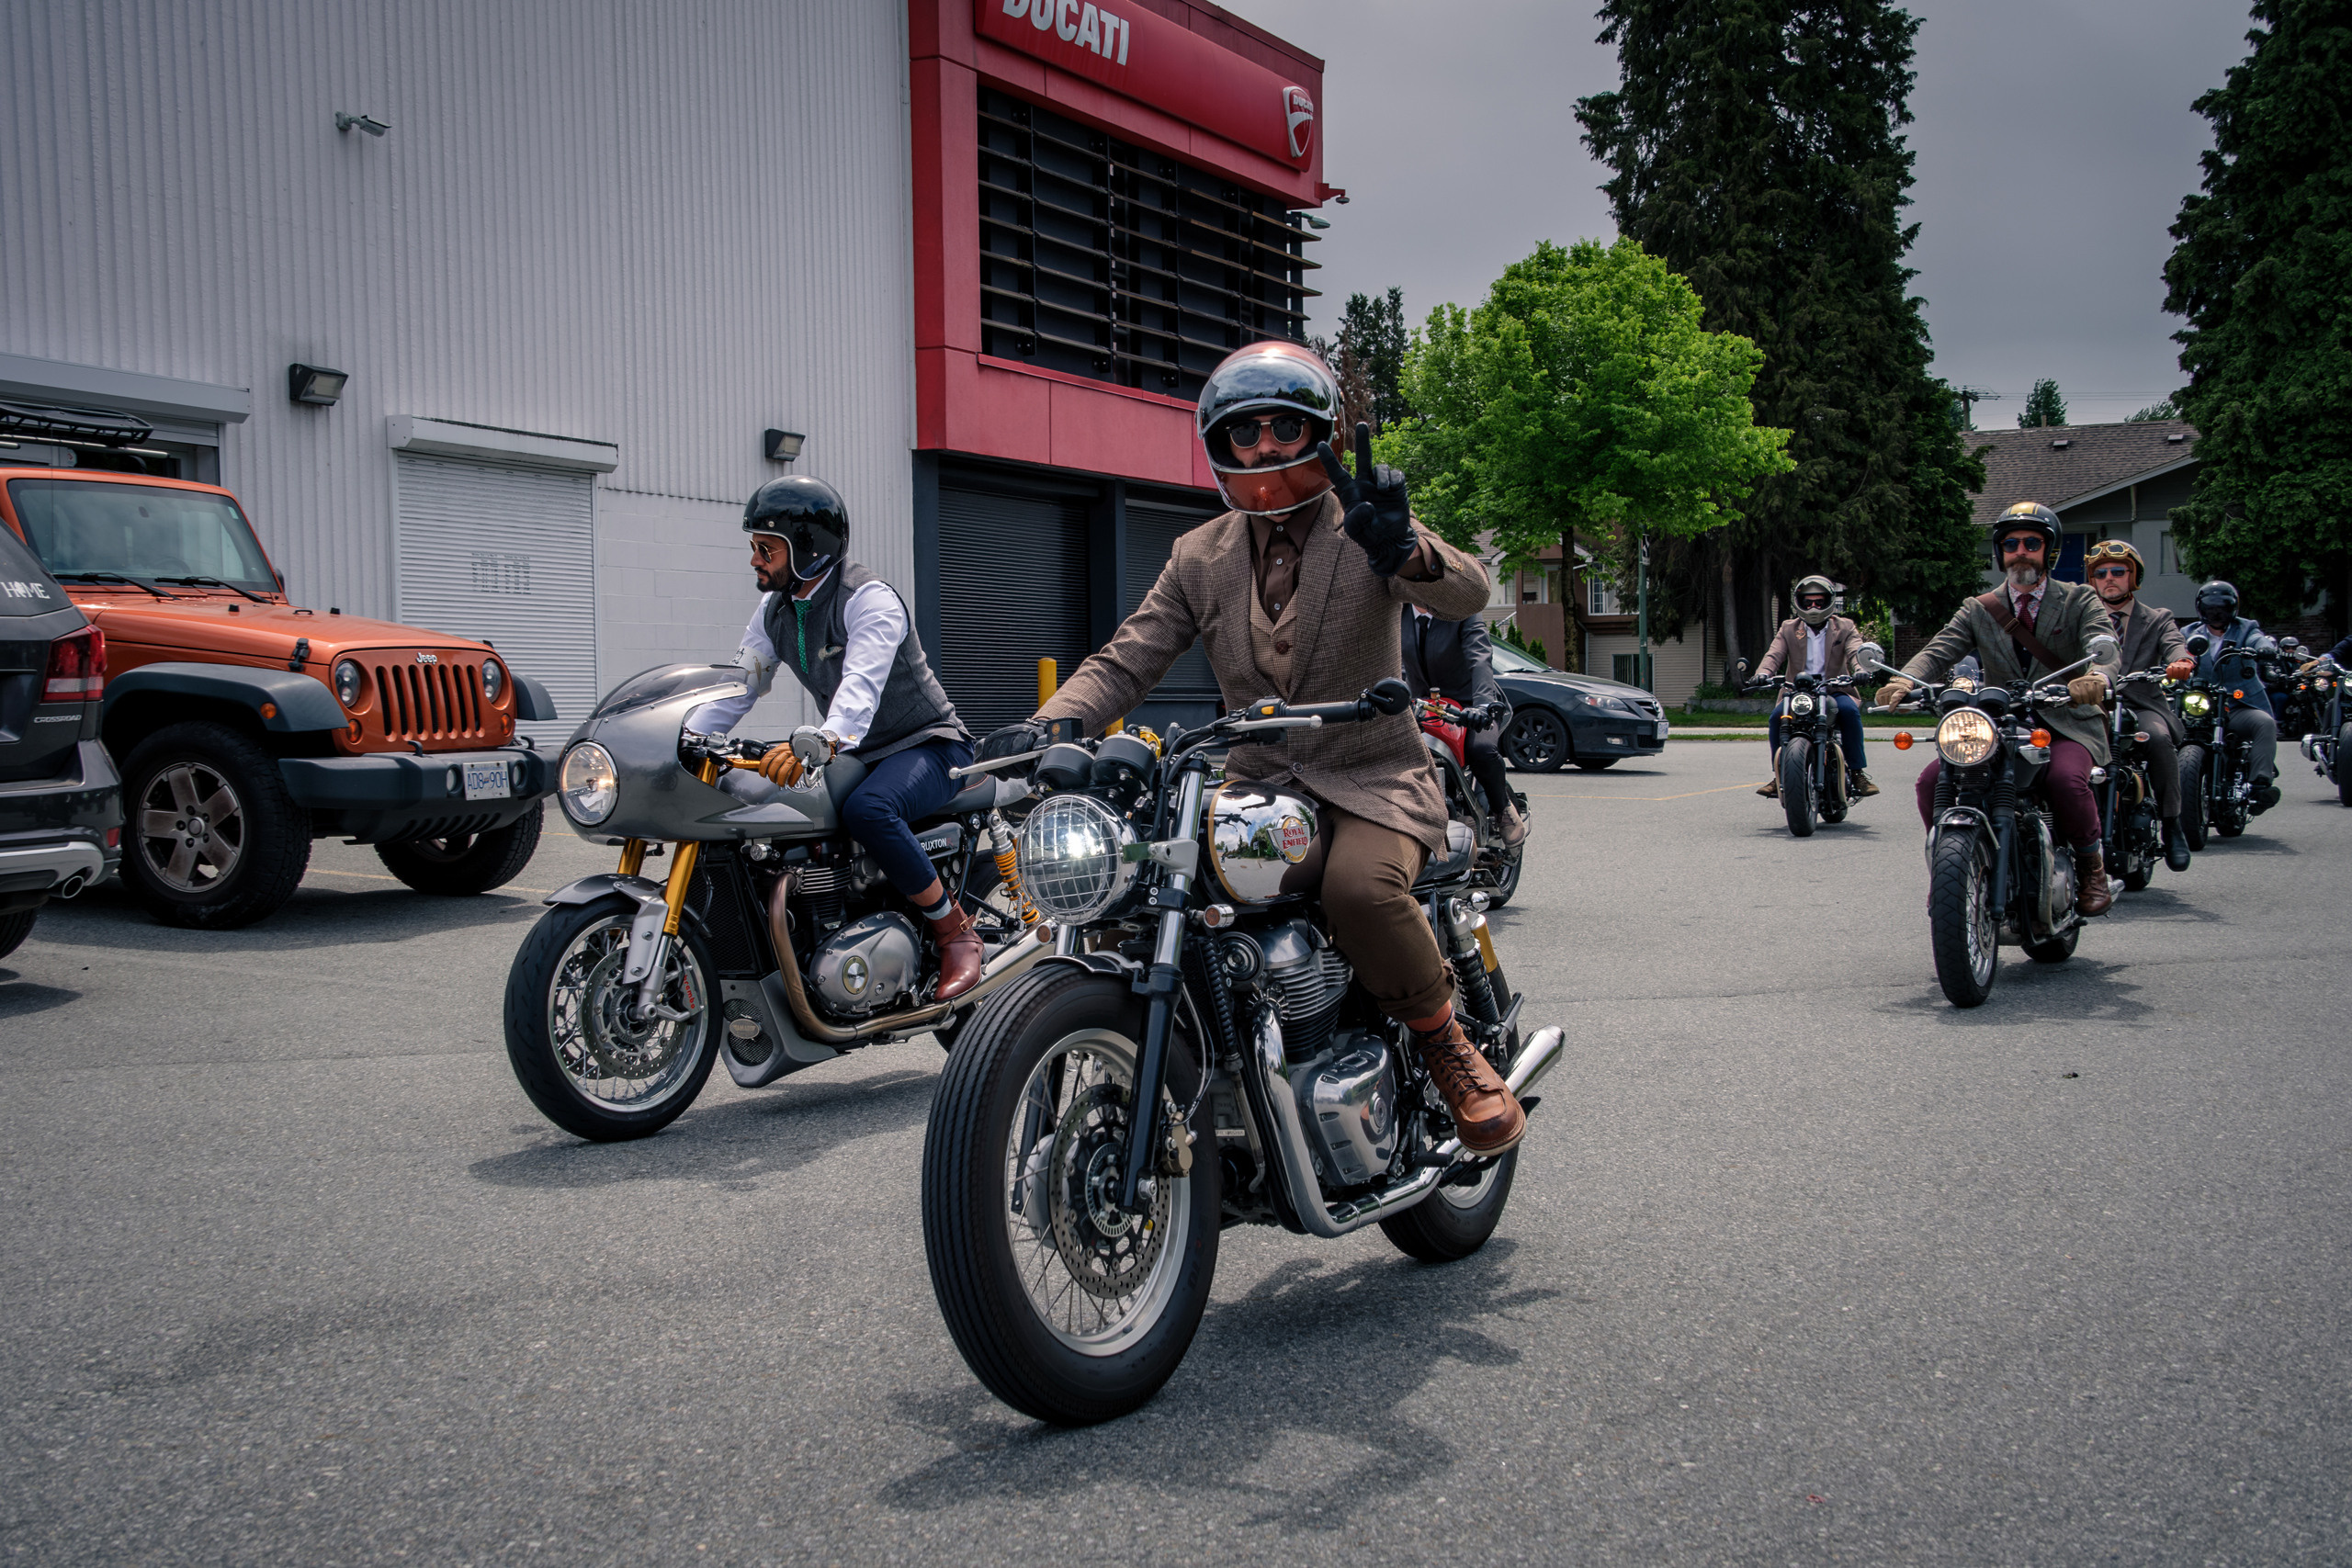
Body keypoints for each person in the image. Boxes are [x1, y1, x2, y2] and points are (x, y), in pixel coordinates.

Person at [972, 342, 1524, 1156]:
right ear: (1220, 445)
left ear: (1318, 431)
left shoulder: (1363, 523)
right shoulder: (1200, 555)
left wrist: (1404, 546)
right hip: (1259, 784)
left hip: (1373, 775)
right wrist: (1047, 725)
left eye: (1283, 427)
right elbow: (1128, 658)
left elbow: (1469, 589)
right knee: (1148, 886)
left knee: (1359, 889)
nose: (1264, 446)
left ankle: (1446, 1044)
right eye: (1245, 432)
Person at [686, 476, 985, 999]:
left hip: (928, 743)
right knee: (769, 807)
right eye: (754, 546)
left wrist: (825, 739)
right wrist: (687, 735)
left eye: (767, 549)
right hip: (858, 749)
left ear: (808, 548)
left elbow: (860, 687)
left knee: (869, 810)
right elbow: (740, 686)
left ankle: (954, 931)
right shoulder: (775, 609)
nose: (755, 560)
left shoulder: (868, 599)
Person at [1877, 502, 2122, 917]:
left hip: (2066, 721)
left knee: (2066, 780)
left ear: (2049, 551)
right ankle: (1951, 869)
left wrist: (2096, 677)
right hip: (1999, 722)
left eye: (2031, 543)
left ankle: (2091, 866)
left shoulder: (2078, 599)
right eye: (2011, 544)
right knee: (1931, 781)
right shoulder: (1979, 607)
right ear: (2000, 551)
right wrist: (1904, 680)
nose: (2020, 551)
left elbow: (2104, 644)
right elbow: (1939, 650)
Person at [2084, 540, 2196, 872]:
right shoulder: (2082, 617)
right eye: (2100, 573)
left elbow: (2174, 644)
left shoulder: (2157, 618)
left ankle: (2172, 825)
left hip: (2141, 704)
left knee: (2158, 739)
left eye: (2118, 571)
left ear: (2134, 577)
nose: (2109, 578)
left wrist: (2181, 661)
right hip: (2093, 705)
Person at [1400, 604, 1527, 846]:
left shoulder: (1460, 608)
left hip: (1470, 704)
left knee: (1481, 750)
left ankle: (1503, 809)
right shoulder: (1395, 612)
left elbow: (1479, 657)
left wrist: (1482, 705)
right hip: (1420, 706)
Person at [1749, 573, 1879, 800]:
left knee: (1849, 712)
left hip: (1835, 689)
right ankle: (1780, 774)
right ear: (1799, 602)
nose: (1813, 607)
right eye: (1808, 602)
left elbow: (1855, 651)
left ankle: (1857, 773)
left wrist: (1861, 670)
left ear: (1829, 601)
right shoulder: (1789, 628)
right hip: (1798, 692)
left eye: (1819, 602)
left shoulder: (1844, 627)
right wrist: (1762, 674)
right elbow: (1774, 655)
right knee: (1776, 718)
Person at [2187, 580, 2281, 814]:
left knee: (2264, 723)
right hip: (2199, 708)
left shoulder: (2246, 628)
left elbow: (2258, 639)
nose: (2216, 613)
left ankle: (2260, 785)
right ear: (2201, 609)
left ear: (2233, 608)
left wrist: (2265, 649)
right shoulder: (2187, 633)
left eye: (2222, 607)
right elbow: (2174, 650)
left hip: (2238, 704)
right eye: (2211, 608)